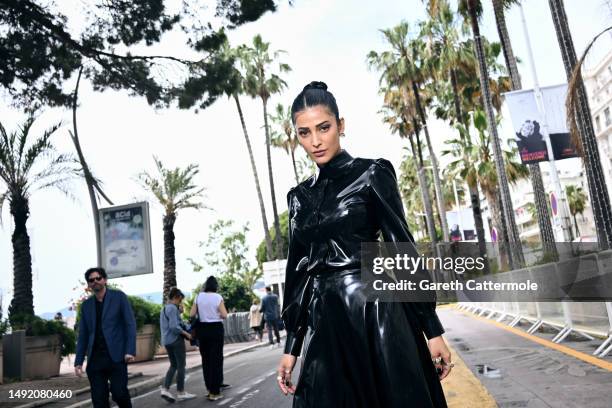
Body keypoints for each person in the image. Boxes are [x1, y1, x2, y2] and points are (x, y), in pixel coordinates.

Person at [276, 82, 452, 407]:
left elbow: (402, 249)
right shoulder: (299, 198)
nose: (315, 141)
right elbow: (298, 276)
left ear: (340, 126)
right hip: (326, 321)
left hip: (376, 312)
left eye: (323, 128)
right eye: (304, 133)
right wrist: (292, 346)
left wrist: (432, 328)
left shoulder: (372, 174)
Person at [74, 267, 137, 408]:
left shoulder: (119, 297)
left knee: (119, 393)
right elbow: (83, 334)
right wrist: (78, 361)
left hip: (117, 357)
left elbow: (130, 324)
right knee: (99, 401)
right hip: (95, 360)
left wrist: (130, 350)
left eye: (98, 278)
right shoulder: (86, 306)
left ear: (105, 280)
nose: (95, 281)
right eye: (91, 280)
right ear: (89, 285)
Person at [190, 276, 228, 401]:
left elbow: (191, 314)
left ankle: (209, 388)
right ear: (215, 286)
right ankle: (215, 392)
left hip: (203, 330)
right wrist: (215, 314)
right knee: (216, 360)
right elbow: (224, 315)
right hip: (216, 329)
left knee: (206, 360)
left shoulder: (198, 296)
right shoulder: (218, 297)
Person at [160, 287, 196, 402]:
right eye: (180, 300)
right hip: (176, 340)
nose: (180, 302)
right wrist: (187, 334)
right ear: (176, 297)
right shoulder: (172, 308)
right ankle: (181, 392)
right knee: (181, 365)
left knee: (173, 365)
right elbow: (174, 327)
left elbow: (171, 323)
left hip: (167, 341)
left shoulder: (165, 308)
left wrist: (179, 313)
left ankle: (165, 389)